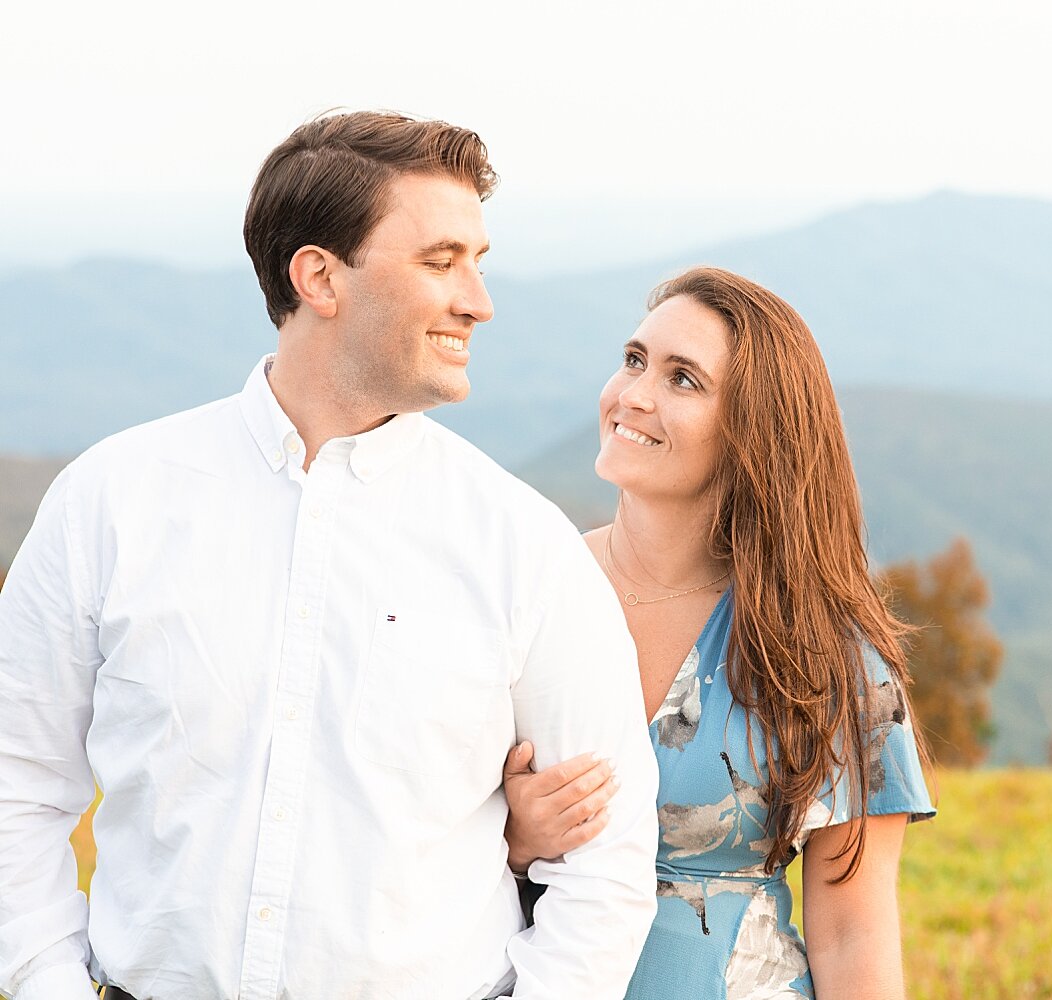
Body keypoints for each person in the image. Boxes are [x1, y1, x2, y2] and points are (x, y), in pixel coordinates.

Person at [0, 111, 658, 1000]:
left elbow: (605, 866)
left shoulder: (523, 544)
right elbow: (17, 790)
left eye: (477, 261)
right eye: (441, 260)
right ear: (318, 276)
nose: (479, 300)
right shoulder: (107, 502)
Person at [502, 267, 935, 999]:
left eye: (683, 380)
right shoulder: (529, 590)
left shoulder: (820, 649)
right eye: (635, 359)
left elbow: (853, 932)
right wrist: (515, 844)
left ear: (751, 433)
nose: (632, 395)